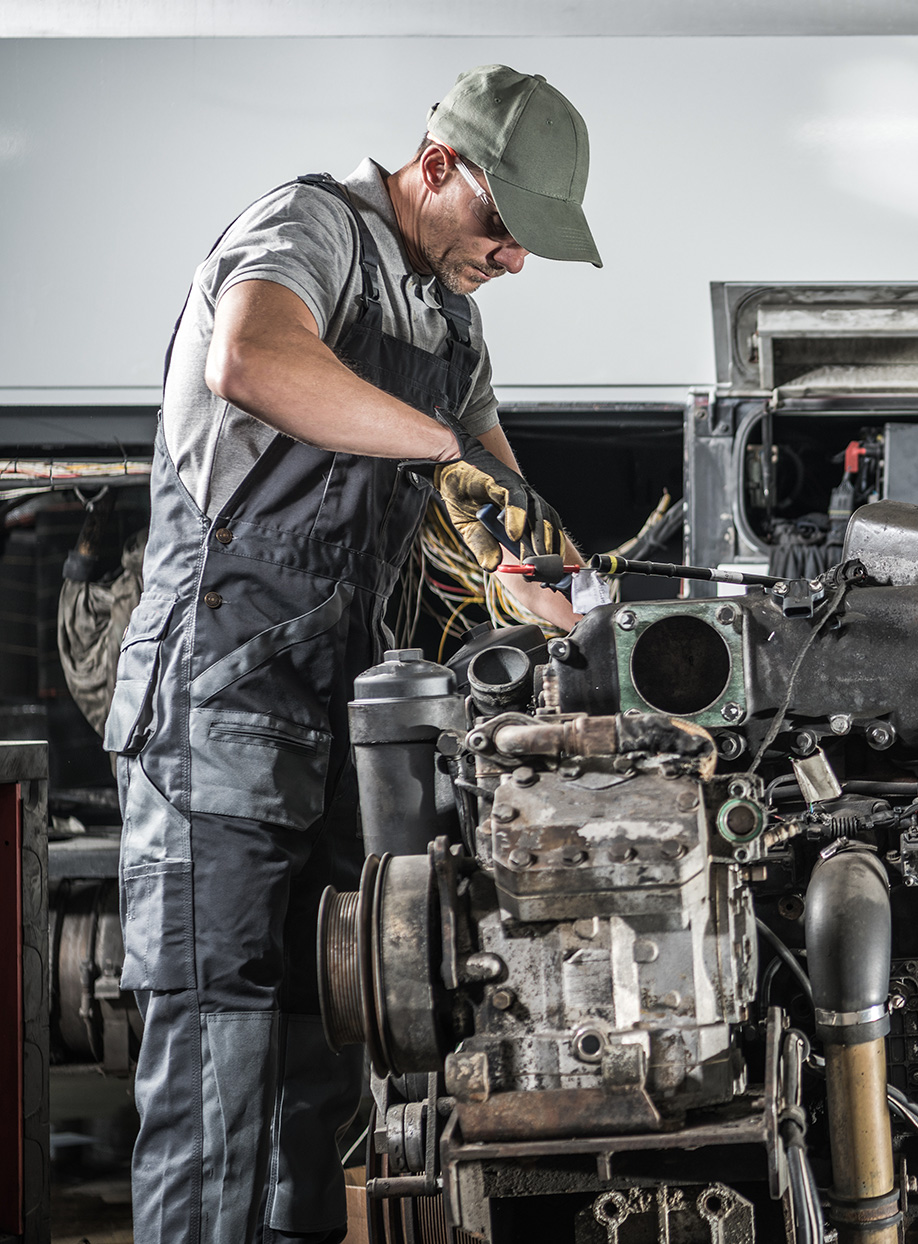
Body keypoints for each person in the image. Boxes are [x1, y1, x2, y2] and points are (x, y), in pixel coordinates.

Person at [104, 65, 599, 1244]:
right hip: (215, 712)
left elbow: (507, 520)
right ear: (436, 168)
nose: (512, 257)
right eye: (503, 225)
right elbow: (256, 362)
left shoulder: (449, 321)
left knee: (324, 1054)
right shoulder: (306, 227)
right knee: (220, 1054)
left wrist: (593, 611)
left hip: (341, 728)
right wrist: (438, 451)